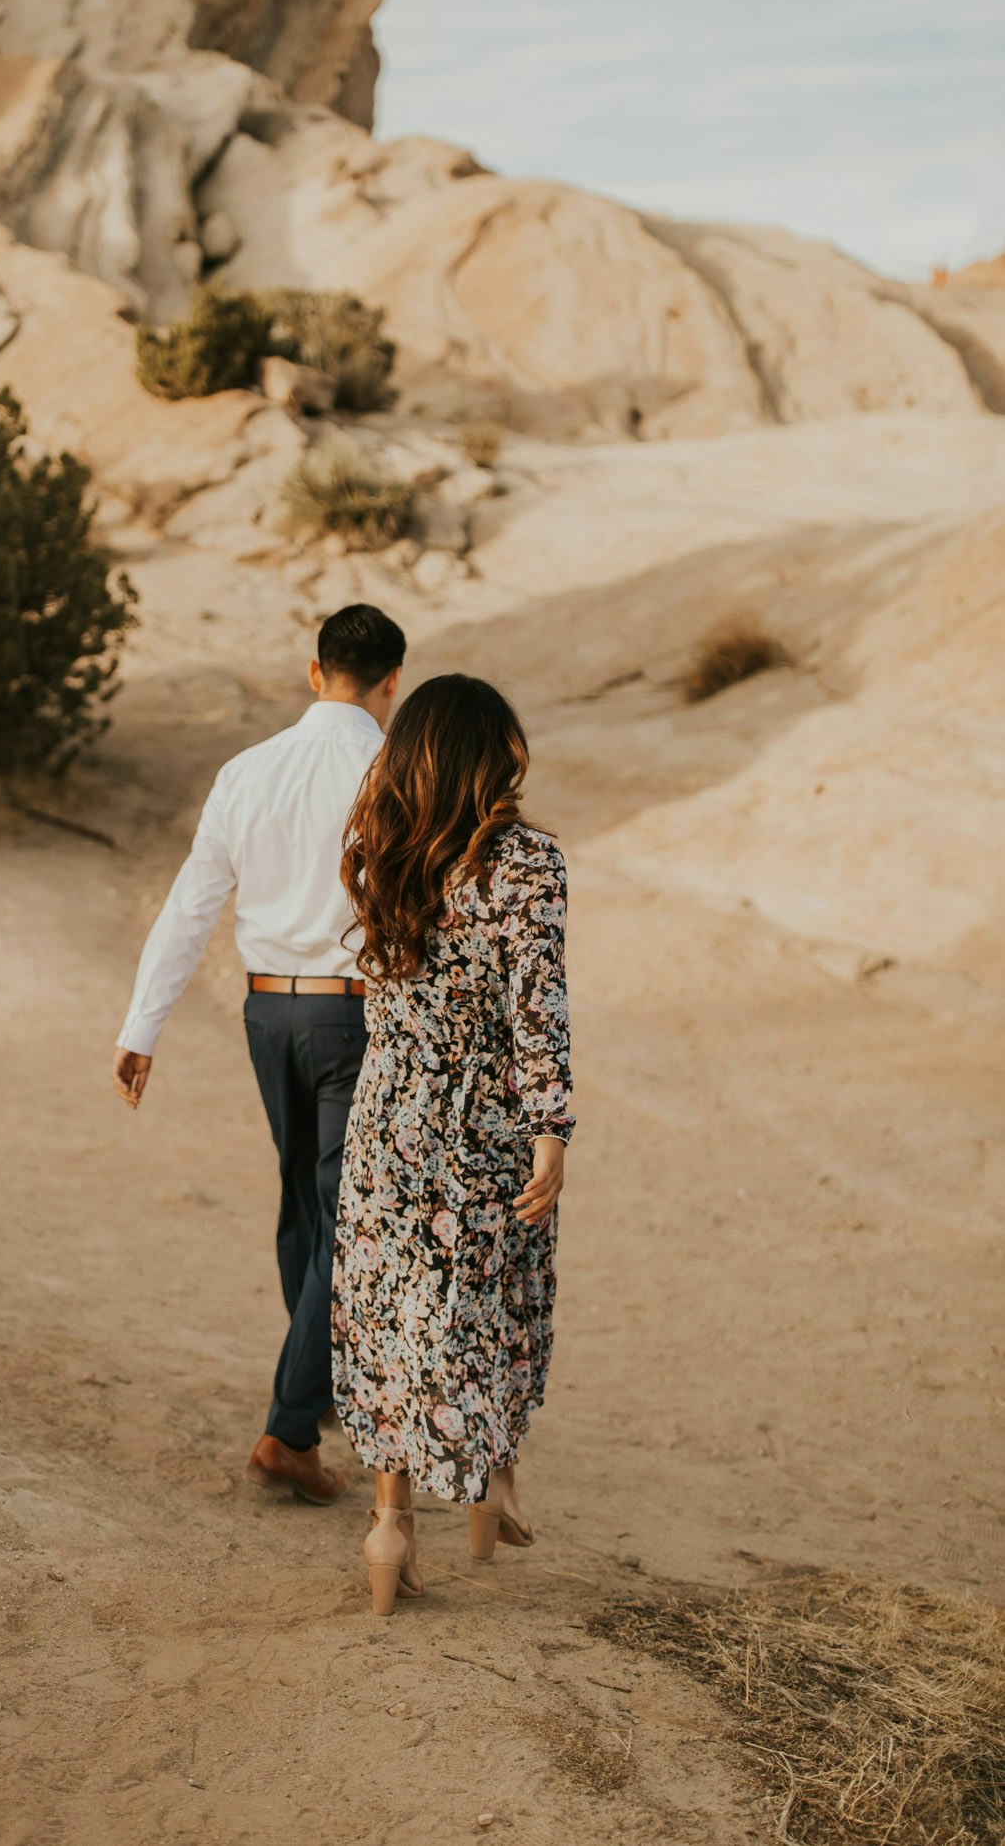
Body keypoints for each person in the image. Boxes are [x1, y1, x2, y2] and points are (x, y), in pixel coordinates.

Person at [113, 604, 406, 1502]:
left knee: (304, 1205)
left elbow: (191, 903)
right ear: (393, 684)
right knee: (347, 1215)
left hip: (264, 1013)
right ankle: (288, 1426)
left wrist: (141, 1027)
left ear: (313, 674)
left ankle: (305, 1401)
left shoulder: (245, 770)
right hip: (352, 1017)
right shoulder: (394, 771)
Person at [331, 674, 574, 1614]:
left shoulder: (380, 846)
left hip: (388, 1114)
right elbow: (538, 1013)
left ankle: (390, 1525)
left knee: (393, 1309)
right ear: (492, 753)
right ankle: (495, 1487)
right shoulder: (527, 864)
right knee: (496, 1295)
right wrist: (551, 1128)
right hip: (484, 1119)